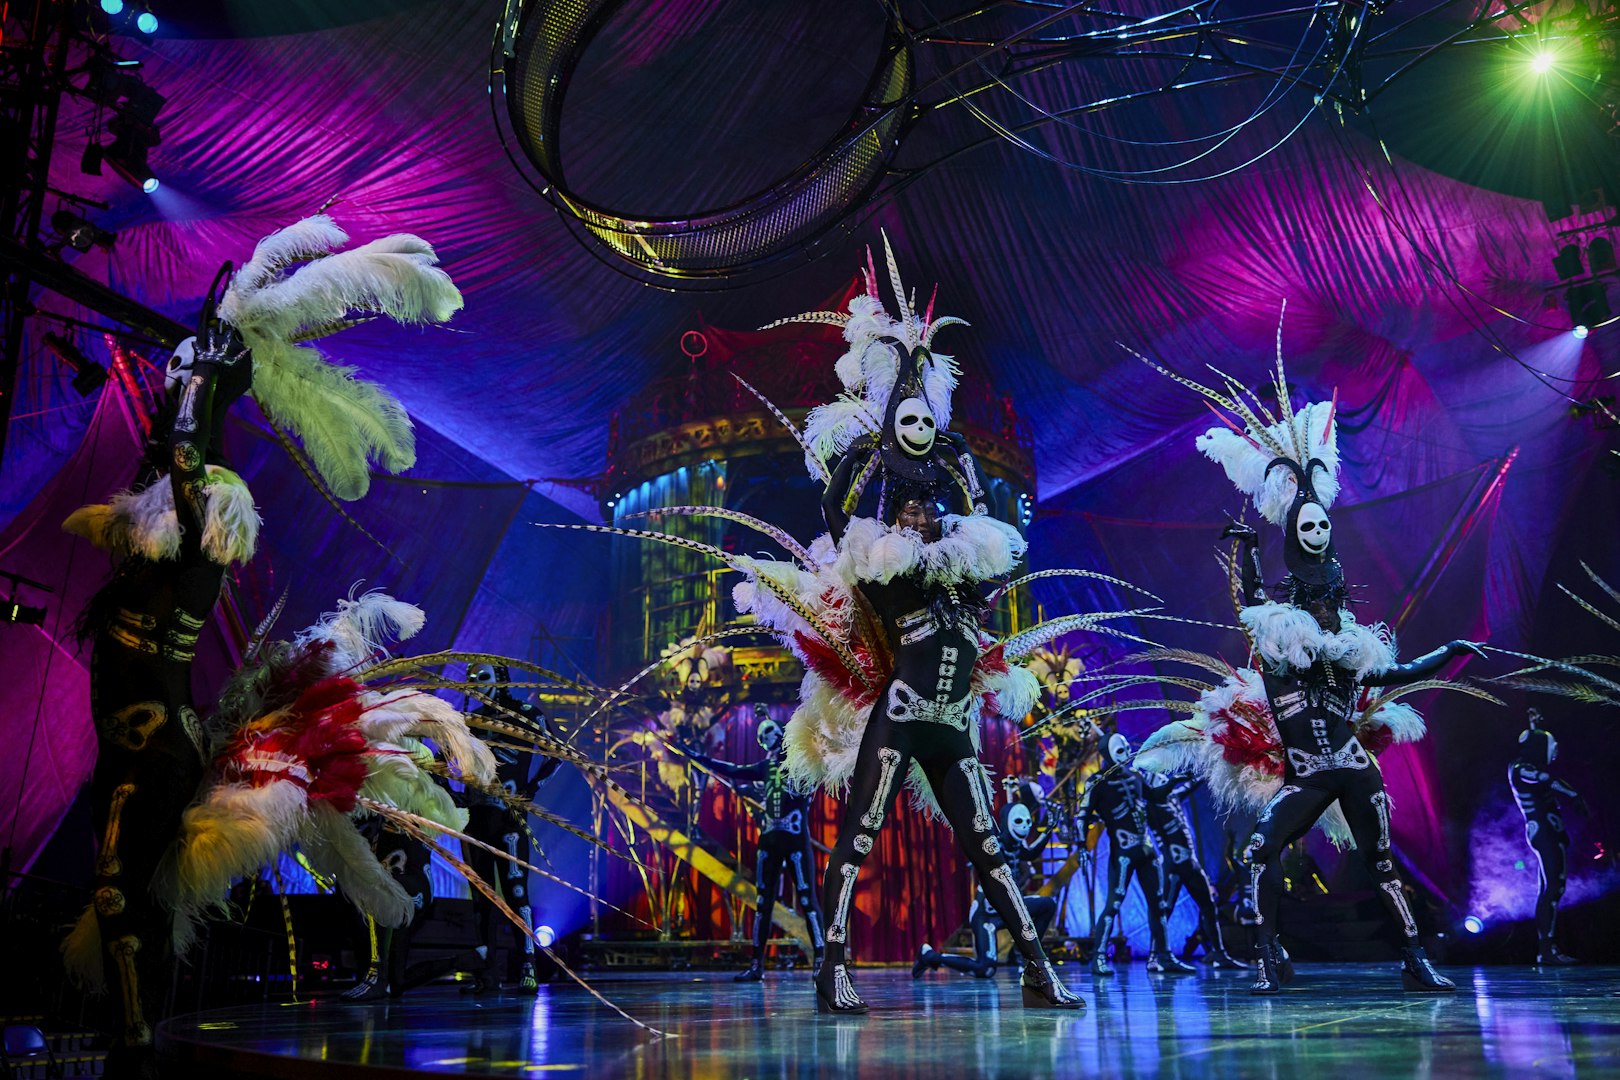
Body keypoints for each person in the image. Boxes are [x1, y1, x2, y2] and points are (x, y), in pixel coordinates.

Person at [687, 703, 826, 980]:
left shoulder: (799, 764)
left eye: (775, 732)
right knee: (763, 902)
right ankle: (756, 965)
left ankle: (821, 959)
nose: (771, 736)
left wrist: (765, 717)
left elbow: (792, 742)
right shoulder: (765, 767)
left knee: (807, 899)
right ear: (762, 742)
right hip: (770, 841)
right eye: (765, 735)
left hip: (796, 841)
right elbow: (733, 770)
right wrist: (701, 760)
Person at [462, 663, 560, 994]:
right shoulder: (470, 721)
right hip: (476, 817)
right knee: (482, 894)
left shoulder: (525, 713)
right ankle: (486, 971)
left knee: (516, 890)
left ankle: (527, 965)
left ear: (501, 680)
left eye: (482, 677)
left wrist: (531, 788)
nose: (474, 683)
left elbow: (557, 752)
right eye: (471, 678)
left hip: (509, 820)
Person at [1079, 735, 1196, 976]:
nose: (1126, 751)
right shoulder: (1097, 782)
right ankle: (1098, 956)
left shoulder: (1135, 776)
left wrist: (1174, 781)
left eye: (1126, 747)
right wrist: (1081, 846)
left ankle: (1165, 956)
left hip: (1145, 850)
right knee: (1114, 902)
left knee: (1159, 903)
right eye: (1119, 748)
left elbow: (1155, 796)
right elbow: (1082, 816)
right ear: (1108, 752)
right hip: (1123, 852)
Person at [913, 799, 1059, 978]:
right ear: (1007, 822)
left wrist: (1050, 827)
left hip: (1009, 907)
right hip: (987, 913)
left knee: (1047, 905)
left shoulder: (1017, 846)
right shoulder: (993, 845)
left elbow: (1031, 853)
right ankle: (930, 956)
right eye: (1019, 822)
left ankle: (1023, 955)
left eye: (1028, 822)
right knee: (986, 968)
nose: (1025, 827)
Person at [1141, 771, 1245, 969]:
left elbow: (1187, 788)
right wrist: (1176, 780)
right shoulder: (1152, 807)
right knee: (1163, 910)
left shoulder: (1172, 798)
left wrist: (1202, 772)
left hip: (1189, 861)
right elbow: (1165, 790)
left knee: (1208, 905)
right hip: (1173, 864)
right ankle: (1155, 956)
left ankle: (1219, 954)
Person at [1510, 710, 1587, 965]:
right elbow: (1546, 778)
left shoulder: (1528, 766)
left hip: (1549, 831)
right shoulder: (1521, 769)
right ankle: (1546, 949)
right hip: (1543, 832)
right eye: (1550, 747)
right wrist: (1574, 796)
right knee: (1552, 888)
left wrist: (1533, 726)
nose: (1555, 753)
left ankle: (1548, 948)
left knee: (1553, 888)